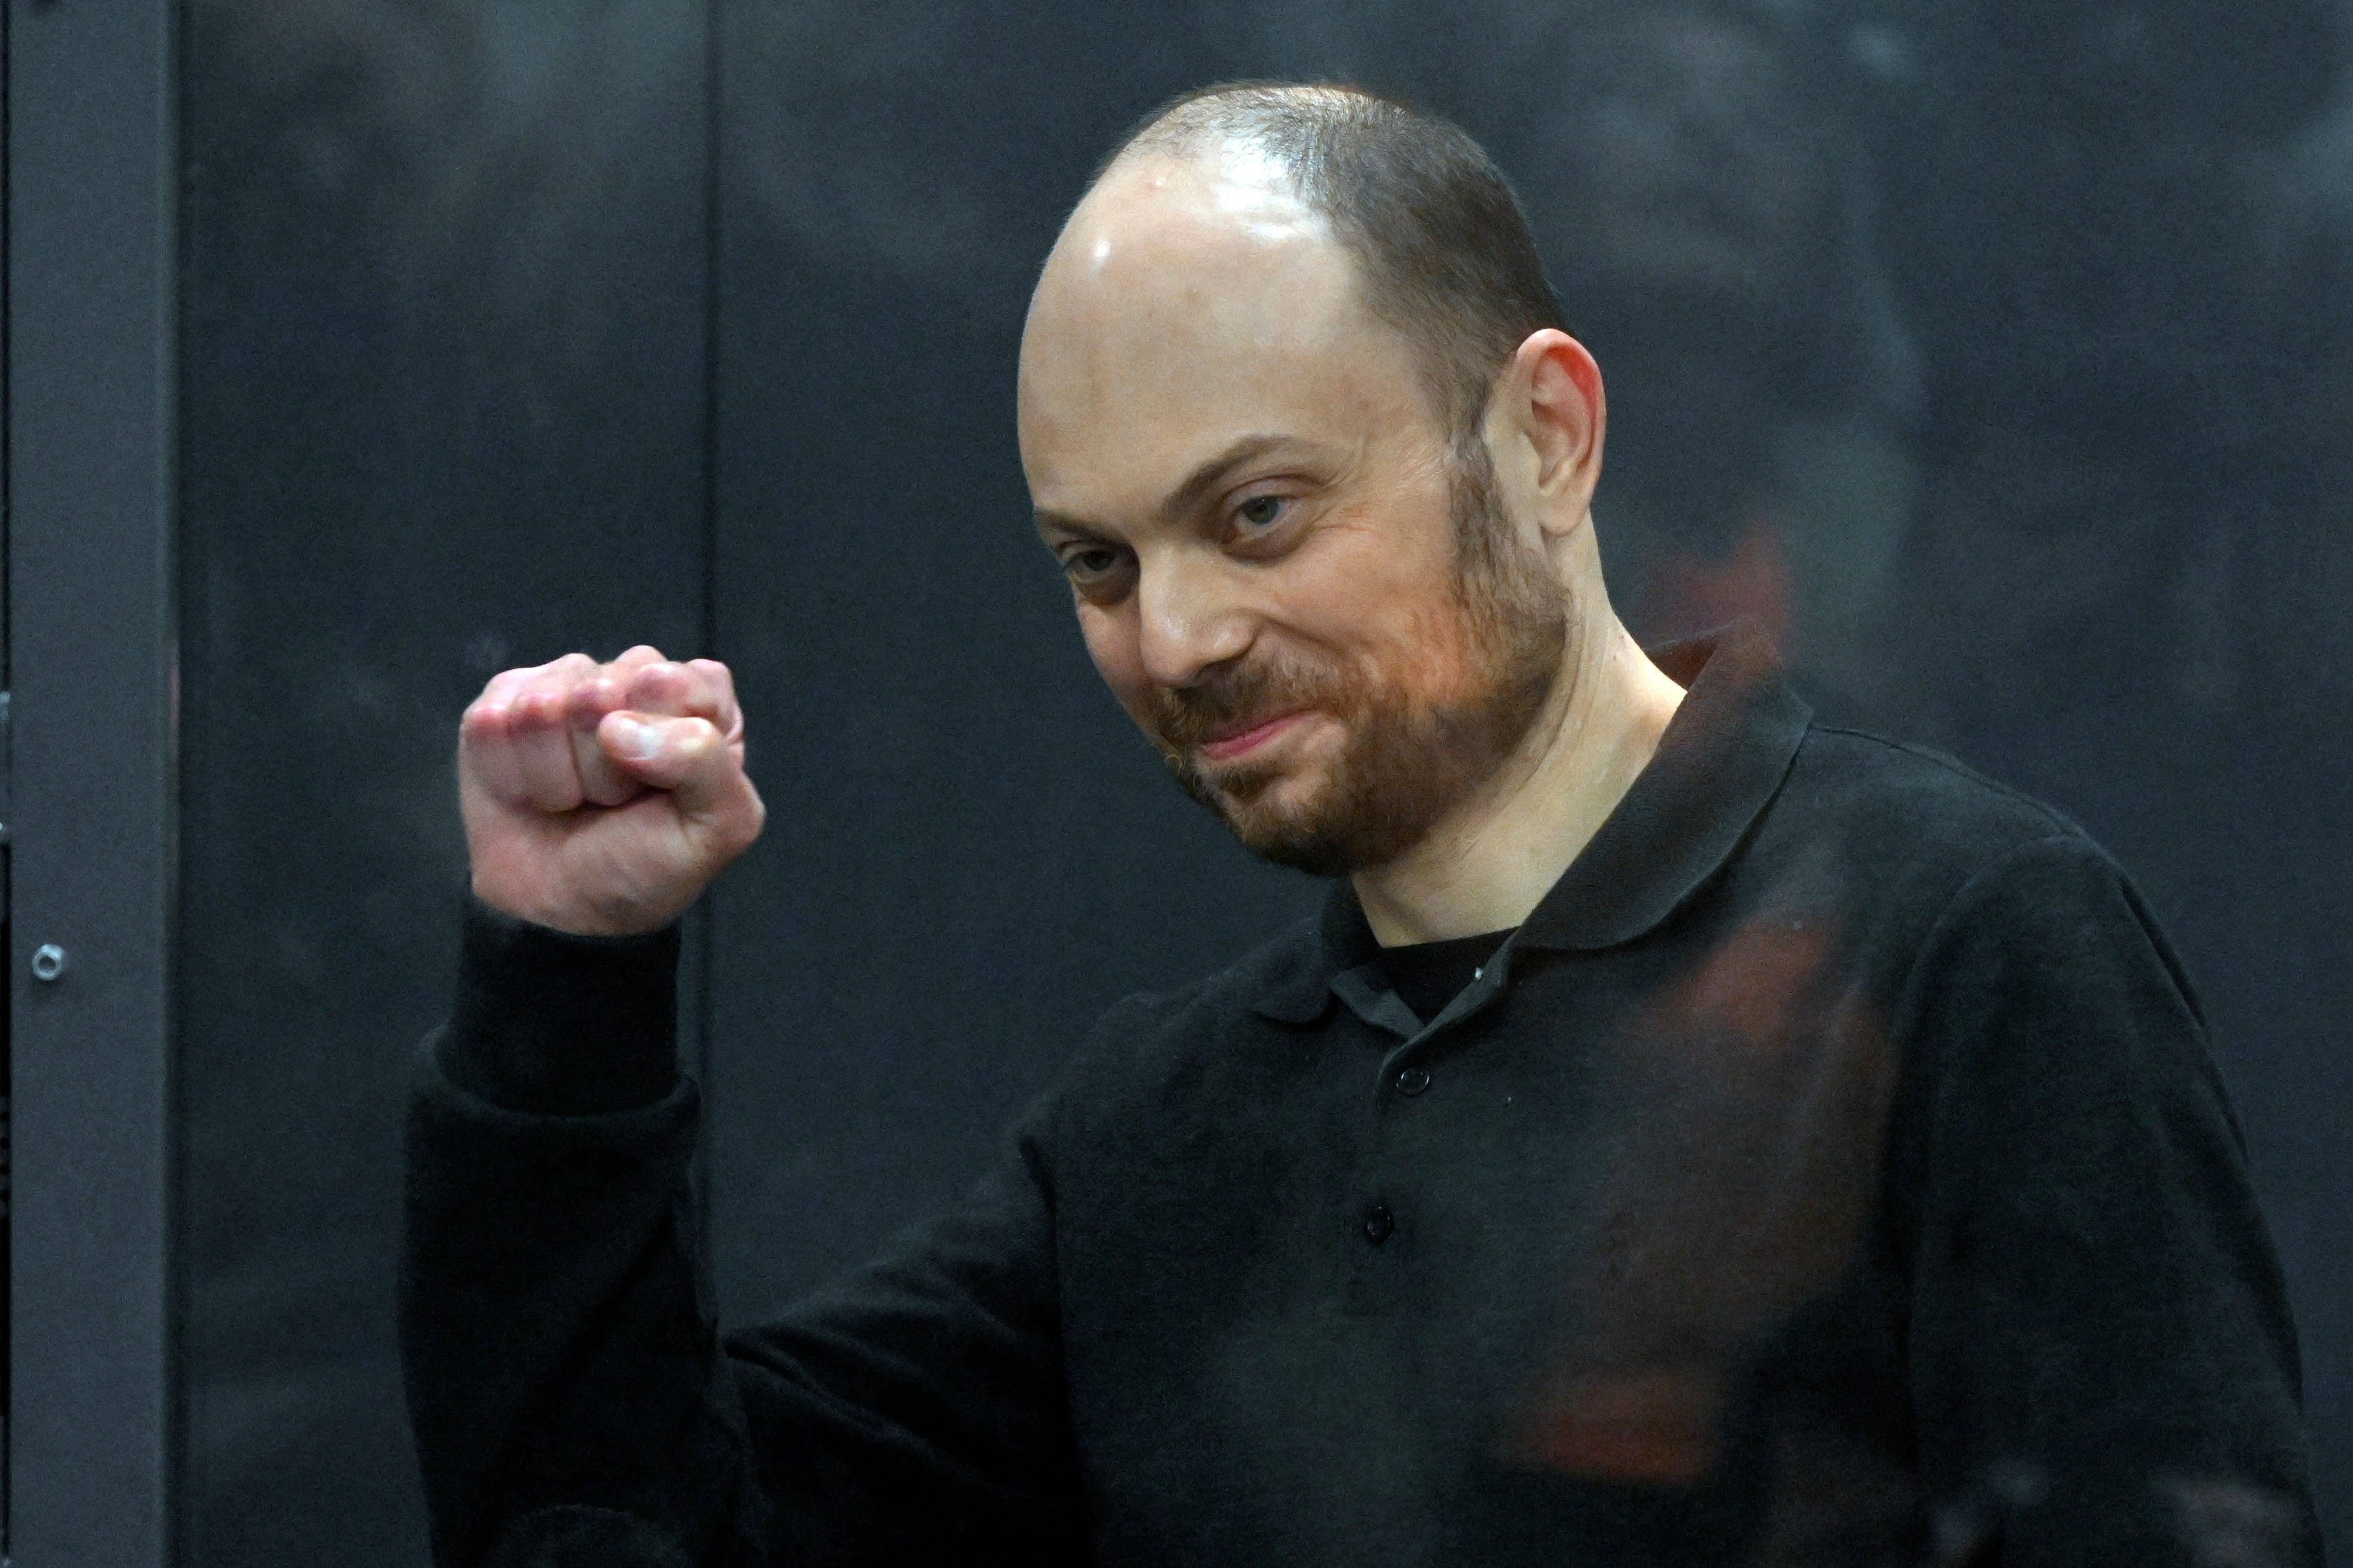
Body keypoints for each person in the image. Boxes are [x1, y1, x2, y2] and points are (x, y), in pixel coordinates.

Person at [403, 83, 2320, 1567]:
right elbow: (626, 1529)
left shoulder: (1970, 945)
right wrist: (563, 983)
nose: (1172, 637)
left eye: (1256, 514)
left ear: (1547, 439)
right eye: (1097, 558)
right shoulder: (1158, 1134)